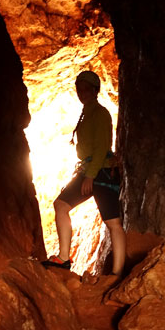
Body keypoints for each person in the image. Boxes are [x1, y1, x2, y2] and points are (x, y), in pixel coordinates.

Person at [42, 69, 126, 276]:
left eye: (87, 88)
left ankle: (117, 274)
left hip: (102, 171)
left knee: (113, 222)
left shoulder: (100, 113)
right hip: (89, 169)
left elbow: (101, 148)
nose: (82, 92)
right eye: (80, 89)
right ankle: (63, 258)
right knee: (61, 205)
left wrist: (90, 176)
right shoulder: (87, 112)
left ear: (95, 90)